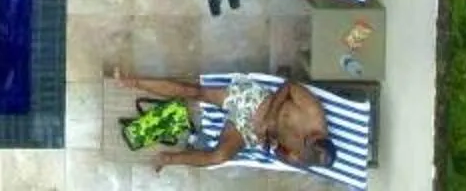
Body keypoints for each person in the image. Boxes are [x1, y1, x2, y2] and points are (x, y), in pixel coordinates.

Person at [111, 70, 337, 173]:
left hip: (248, 132)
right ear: (318, 136)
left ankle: (168, 159)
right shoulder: (313, 113)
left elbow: (281, 155)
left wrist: (270, 144)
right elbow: (289, 86)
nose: (303, 142)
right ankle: (132, 81)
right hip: (254, 102)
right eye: (307, 141)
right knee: (194, 92)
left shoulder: (307, 158)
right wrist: (269, 118)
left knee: (218, 157)